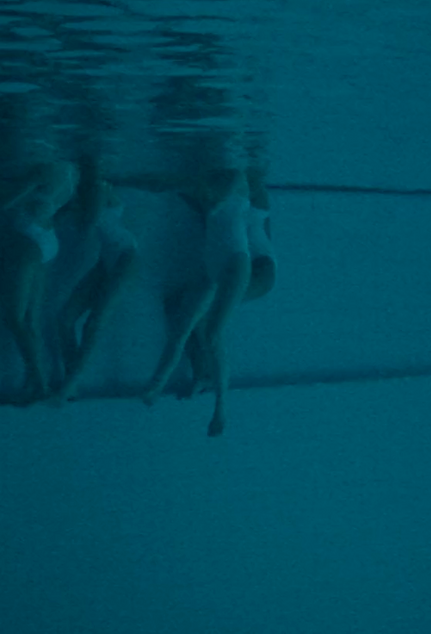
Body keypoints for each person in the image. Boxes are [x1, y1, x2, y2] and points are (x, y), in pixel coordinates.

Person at [142, 166, 270, 437]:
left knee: (213, 332)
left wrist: (179, 184)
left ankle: (220, 408)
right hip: (216, 264)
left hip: (246, 264)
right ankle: (161, 383)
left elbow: (216, 193)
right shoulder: (213, 191)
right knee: (181, 324)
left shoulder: (240, 183)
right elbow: (195, 194)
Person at [50, 158, 140, 403]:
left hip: (126, 256)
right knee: (64, 319)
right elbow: (56, 221)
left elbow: (86, 227)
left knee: (93, 323)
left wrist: (69, 206)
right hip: (107, 258)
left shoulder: (98, 188)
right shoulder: (80, 189)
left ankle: (70, 383)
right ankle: (72, 380)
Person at [0, 160, 79, 405]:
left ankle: (39, 382)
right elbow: (66, 206)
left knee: (14, 318)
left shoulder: (42, 168)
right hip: (47, 238)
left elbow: (6, 202)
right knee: (29, 319)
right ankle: (32, 381)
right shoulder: (69, 170)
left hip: (28, 241)